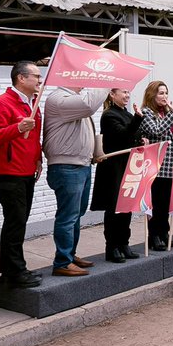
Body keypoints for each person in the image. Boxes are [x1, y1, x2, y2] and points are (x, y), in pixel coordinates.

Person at [0, 61, 44, 289]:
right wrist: (18, 128)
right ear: (21, 78)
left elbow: (35, 135)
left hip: (26, 169)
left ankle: (12, 270)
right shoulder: (2, 103)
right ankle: (14, 271)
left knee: (19, 221)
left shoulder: (33, 103)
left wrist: (38, 157)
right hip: (8, 171)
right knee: (15, 221)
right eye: (36, 76)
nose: (40, 81)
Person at [43, 85, 105, 277]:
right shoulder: (59, 98)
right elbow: (89, 105)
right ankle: (62, 261)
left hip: (81, 165)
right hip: (67, 166)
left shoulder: (73, 100)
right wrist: (105, 81)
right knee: (68, 216)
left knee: (76, 213)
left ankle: (69, 255)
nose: (86, 82)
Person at [91, 89, 142, 263]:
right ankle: (112, 247)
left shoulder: (126, 113)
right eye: (124, 92)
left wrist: (141, 141)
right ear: (112, 95)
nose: (127, 95)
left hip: (128, 165)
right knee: (114, 208)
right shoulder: (108, 115)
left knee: (126, 206)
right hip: (114, 168)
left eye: (128, 93)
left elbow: (133, 136)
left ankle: (124, 243)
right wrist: (137, 119)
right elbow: (122, 135)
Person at [139, 81, 173, 250]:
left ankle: (165, 233)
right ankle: (154, 237)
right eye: (161, 93)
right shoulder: (146, 112)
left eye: (166, 93)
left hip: (170, 166)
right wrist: (172, 114)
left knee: (165, 202)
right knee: (156, 203)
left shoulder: (166, 113)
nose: (165, 97)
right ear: (152, 95)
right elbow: (155, 131)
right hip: (155, 166)